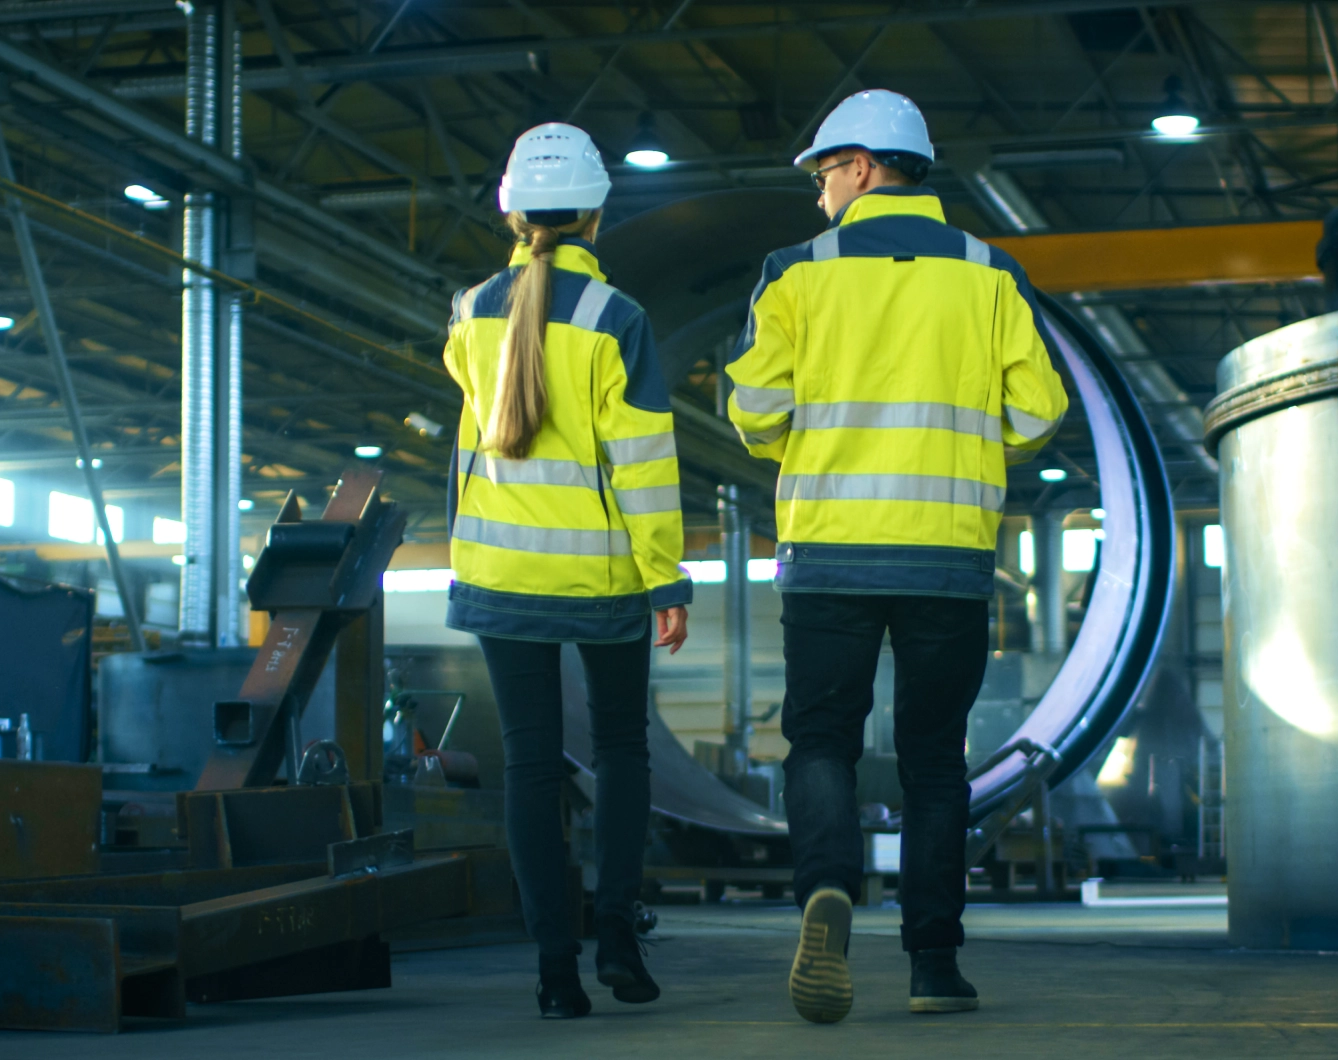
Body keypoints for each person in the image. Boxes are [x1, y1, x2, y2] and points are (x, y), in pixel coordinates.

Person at [725, 89, 1069, 1023]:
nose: (820, 193)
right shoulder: (989, 274)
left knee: (822, 739)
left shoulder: (795, 272)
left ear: (865, 167)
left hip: (831, 549)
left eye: (825, 172)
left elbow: (753, 411)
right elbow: (1038, 414)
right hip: (948, 557)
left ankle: (827, 890)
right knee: (932, 762)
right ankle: (934, 966)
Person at [441, 122, 692, 1019]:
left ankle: (554, 972)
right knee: (623, 754)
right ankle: (618, 937)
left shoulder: (471, 312)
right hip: (603, 580)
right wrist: (667, 579)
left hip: (502, 577)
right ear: (596, 214)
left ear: (510, 211)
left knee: (531, 769)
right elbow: (645, 465)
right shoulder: (616, 319)